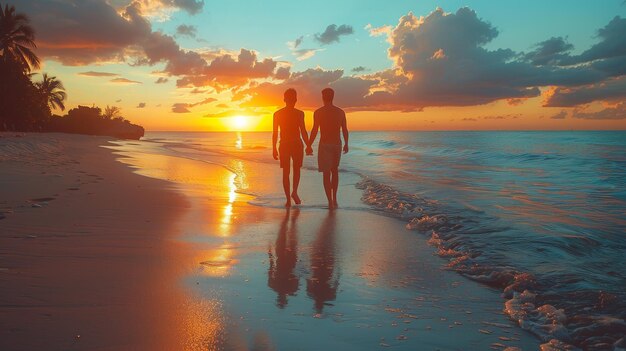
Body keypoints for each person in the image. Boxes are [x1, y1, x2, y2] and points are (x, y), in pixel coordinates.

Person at [306, 88, 349, 209]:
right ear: (333, 97)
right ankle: (334, 197)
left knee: (326, 174)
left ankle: (329, 201)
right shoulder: (340, 112)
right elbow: (344, 129)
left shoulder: (318, 112)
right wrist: (346, 143)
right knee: (334, 171)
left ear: (323, 97)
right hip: (337, 144)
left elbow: (315, 130)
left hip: (325, 145)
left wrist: (309, 144)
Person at [273, 88, 309, 207]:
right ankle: (292, 194)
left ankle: (290, 197)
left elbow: (275, 133)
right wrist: (308, 145)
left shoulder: (279, 114)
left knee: (287, 172)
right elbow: (303, 131)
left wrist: (273, 148)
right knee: (294, 170)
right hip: (292, 144)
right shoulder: (298, 113)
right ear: (295, 100)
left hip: (287, 144)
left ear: (285, 99)